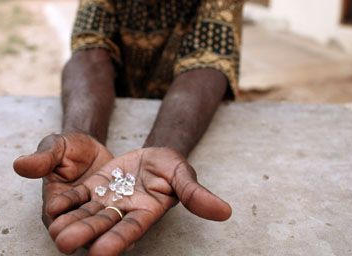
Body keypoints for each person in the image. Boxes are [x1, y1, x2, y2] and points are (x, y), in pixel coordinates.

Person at [13, 0, 244, 255]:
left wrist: (164, 147)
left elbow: (208, 62)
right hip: (116, 89)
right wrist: (80, 132)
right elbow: (90, 50)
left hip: (183, 100)